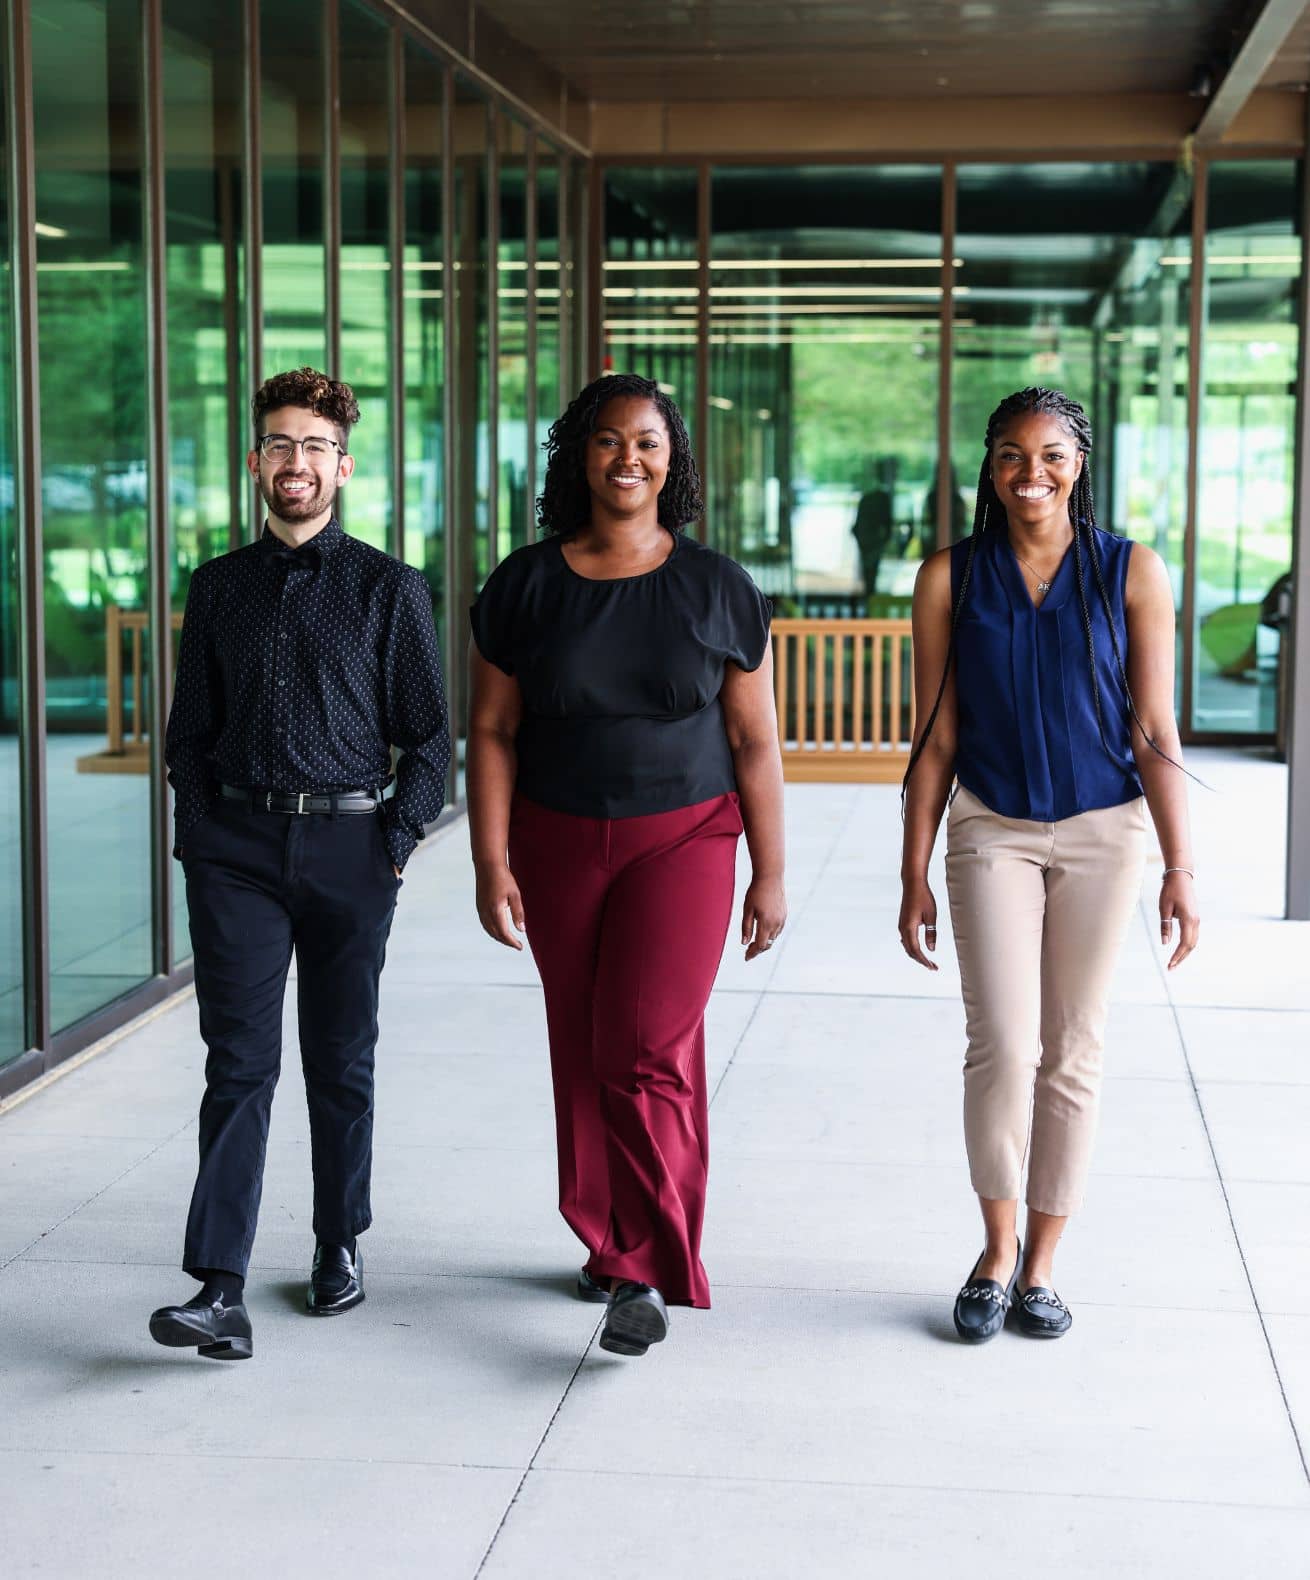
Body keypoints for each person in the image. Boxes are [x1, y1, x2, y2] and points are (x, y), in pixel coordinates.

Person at [466, 372, 786, 1358]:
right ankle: (608, 1242)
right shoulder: (523, 584)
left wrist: (770, 871)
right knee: (585, 1043)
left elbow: (754, 744)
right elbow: (489, 729)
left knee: (643, 1045)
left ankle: (641, 1264)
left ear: (672, 459)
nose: (628, 459)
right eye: (608, 441)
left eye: (647, 442)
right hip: (556, 839)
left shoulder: (717, 585)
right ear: (578, 457)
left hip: (685, 837)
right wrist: (488, 857)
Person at [150, 368, 450, 1361]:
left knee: (339, 1058)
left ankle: (338, 1240)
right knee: (238, 1064)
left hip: (349, 848)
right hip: (234, 851)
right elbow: (187, 732)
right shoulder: (218, 587)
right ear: (253, 461)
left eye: (314, 447)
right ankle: (217, 1283)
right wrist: (200, 836)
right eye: (279, 443)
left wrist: (394, 844)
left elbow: (429, 738)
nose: (295, 462)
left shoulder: (388, 588)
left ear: (343, 467)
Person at [898, 387, 1200, 1344]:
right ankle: (991, 1252)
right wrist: (913, 869)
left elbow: (1156, 729)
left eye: (1053, 456)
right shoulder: (949, 577)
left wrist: (1180, 868)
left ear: (1081, 464)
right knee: (1004, 1042)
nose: (1033, 475)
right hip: (992, 825)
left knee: (1075, 1046)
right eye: (1012, 457)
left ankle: (1043, 1266)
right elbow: (936, 733)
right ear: (988, 467)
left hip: (1107, 830)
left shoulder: (1130, 572)